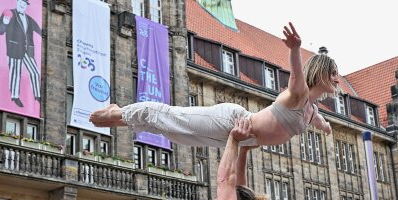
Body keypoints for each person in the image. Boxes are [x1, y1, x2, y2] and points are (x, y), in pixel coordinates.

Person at [89, 22, 338, 147]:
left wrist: (326, 128)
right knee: (171, 117)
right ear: (322, 73)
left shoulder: (312, 110)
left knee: (170, 132)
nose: (338, 80)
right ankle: (118, 111)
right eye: (334, 73)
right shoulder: (299, 94)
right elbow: (295, 74)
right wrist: (294, 50)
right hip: (232, 121)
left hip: (235, 139)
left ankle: (120, 118)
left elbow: (320, 122)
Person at [0, 0, 42, 108]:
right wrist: (4, 22)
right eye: (21, 3)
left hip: (27, 50)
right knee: (15, 73)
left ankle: (37, 95)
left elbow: (39, 30)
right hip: (15, 49)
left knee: (35, 72)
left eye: (24, 4)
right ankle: (14, 96)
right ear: (17, 3)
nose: (22, 5)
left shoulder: (28, 18)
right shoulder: (9, 13)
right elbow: (1, 30)